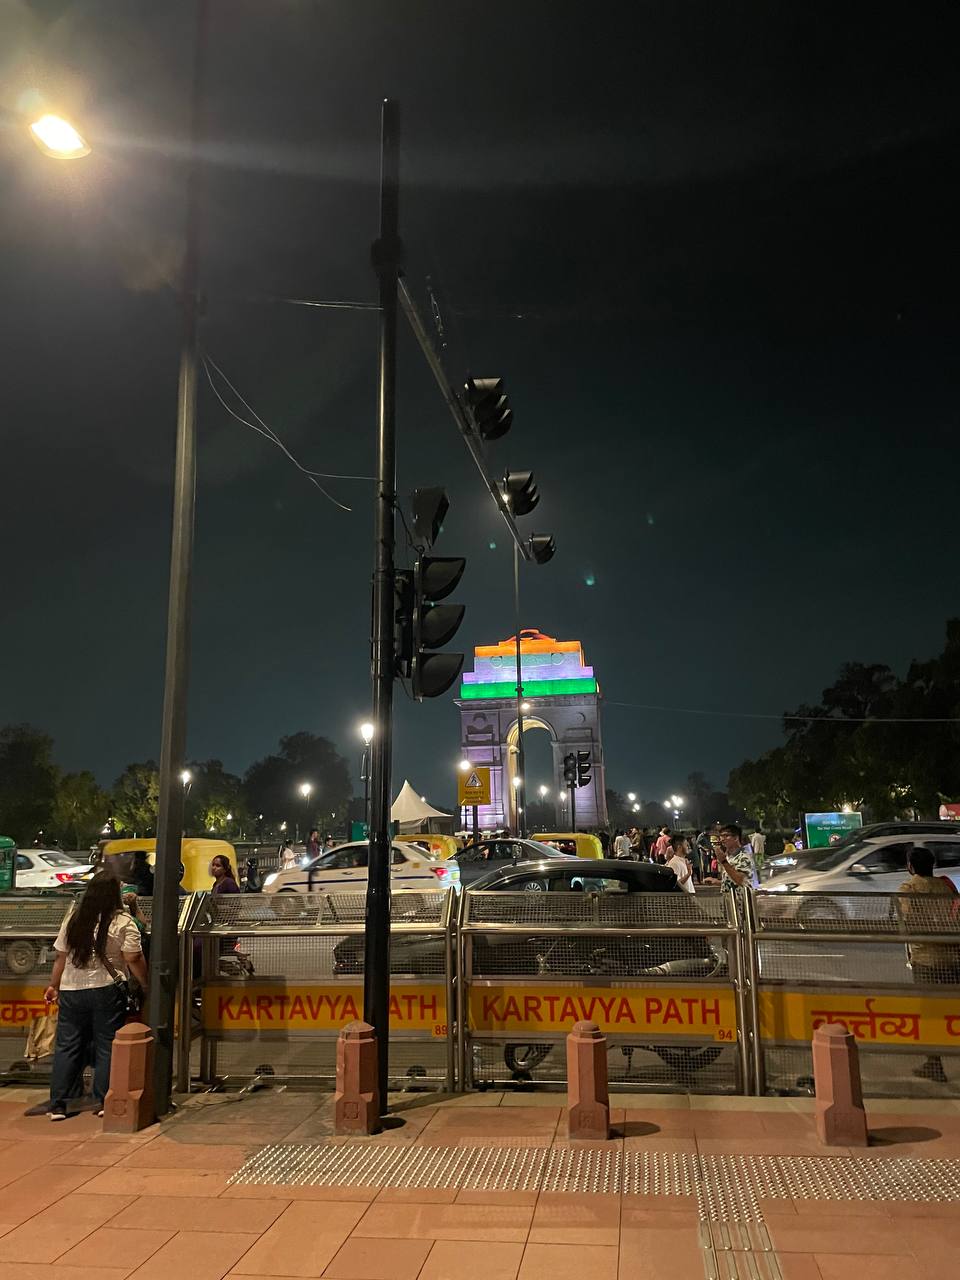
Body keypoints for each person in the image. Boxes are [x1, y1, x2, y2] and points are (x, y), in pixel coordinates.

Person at [45, 873, 148, 1121]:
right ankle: (103, 1100)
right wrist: (145, 983)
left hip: (71, 989)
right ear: (114, 894)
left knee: (67, 1045)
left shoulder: (74, 918)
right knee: (105, 1045)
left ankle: (59, 1104)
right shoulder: (122, 921)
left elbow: (61, 956)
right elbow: (132, 957)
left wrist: (53, 985)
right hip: (106, 989)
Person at [900, 845, 960, 1083]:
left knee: (929, 1012)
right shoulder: (946, 886)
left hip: (926, 959)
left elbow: (909, 923)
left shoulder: (909, 888)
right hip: (953, 957)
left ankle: (934, 1064)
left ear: (910, 866)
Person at [715, 824, 758, 895]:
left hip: (741, 902)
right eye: (721, 836)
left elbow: (741, 880)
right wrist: (717, 882)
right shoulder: (730, 857)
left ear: (736, 838)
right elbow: (733, 881)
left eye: (726, 836)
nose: (722, 839)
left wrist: (724, 862)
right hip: (730, 902)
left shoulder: (744, 856)